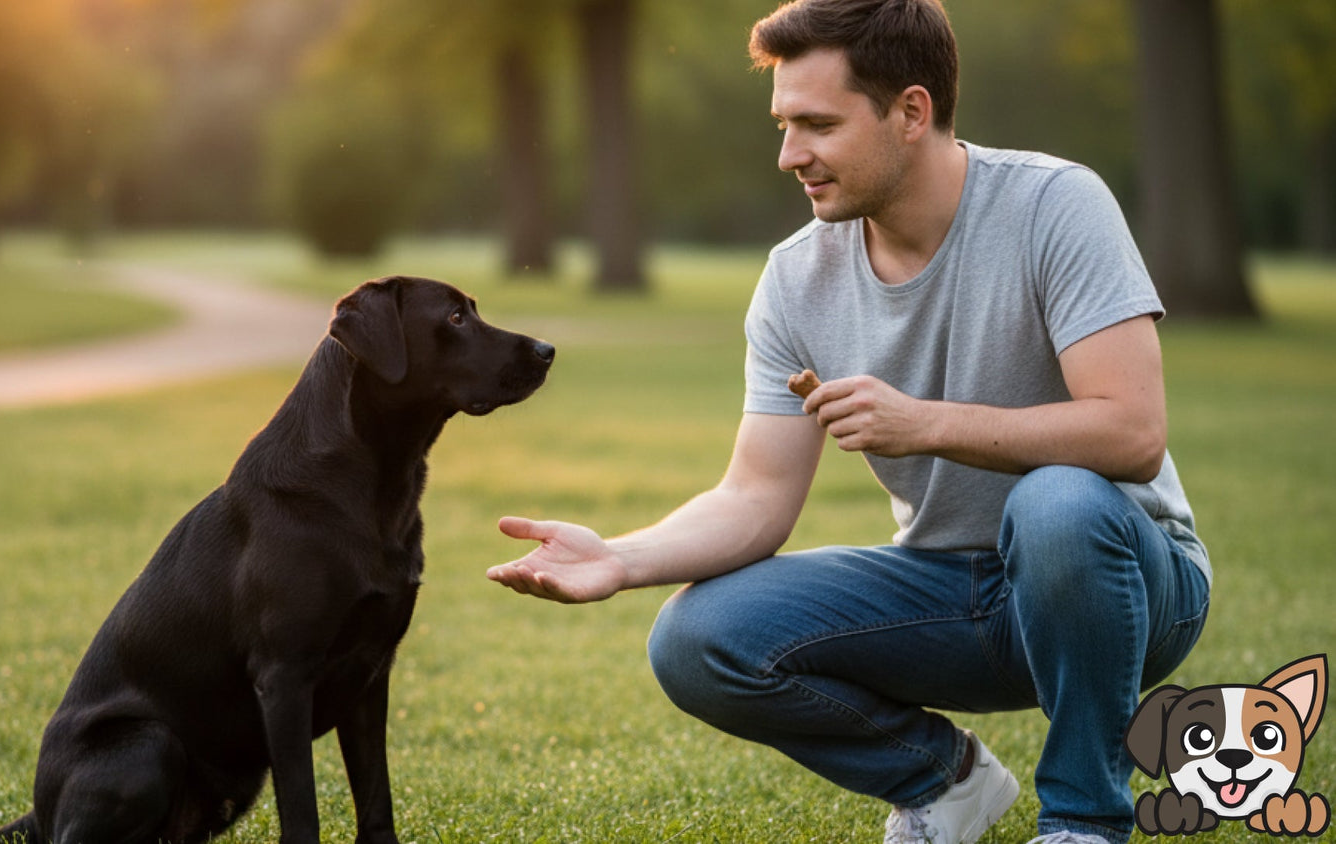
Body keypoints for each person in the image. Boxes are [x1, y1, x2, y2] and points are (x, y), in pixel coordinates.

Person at [486, 1, 1212, 842]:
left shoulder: (1056, 206)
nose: (790, 155)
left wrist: (928, 423)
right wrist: (621, 556)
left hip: (1121, 582)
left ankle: (1084, 820)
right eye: (785, 124)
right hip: (952, 593)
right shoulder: (796, 279)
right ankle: (946, 784)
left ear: (911, 111)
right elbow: (756, 498)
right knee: (696, 636)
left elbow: (1131, 433)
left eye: (817, 124)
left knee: (1057, 504)